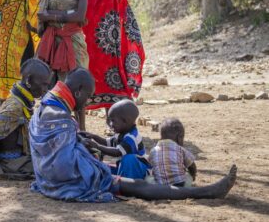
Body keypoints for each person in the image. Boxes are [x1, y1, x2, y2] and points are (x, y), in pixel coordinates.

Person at [29, 68, 237, 202]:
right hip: (66, 180)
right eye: (89, 97)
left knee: (112, 168)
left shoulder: (46, 105)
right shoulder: (61, 119)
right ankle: (201, 192)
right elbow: (66, 166)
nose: (87, 103)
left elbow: (62, 153)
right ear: (79, 91)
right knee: (135, 186)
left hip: (47, 175)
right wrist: (94, 164)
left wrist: (88, 148)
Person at [79, 0, 145, 112]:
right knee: (86, 70)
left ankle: (113, 117)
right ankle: (81, 123)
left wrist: (126, 26)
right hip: (87, 31)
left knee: (113, 72)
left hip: (111, 33)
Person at [36, 0, 89, 130]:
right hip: (51, 42)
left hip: (73, 43)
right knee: (48, 85)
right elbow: (41, 15)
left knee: (76, 85)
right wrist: (67, 13)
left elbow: (80, 16)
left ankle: (81, 131)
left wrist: (53, 15)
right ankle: (49, 127)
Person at [81, 99, 150, 179]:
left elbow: (117, 152)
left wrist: (97, 147)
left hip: (138, 170)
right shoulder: (121, 133)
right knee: (102, 168)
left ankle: (127, 186)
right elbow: (106, 142)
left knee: (129, 159)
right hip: (126, 168)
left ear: (125, 121)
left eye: (113, 121)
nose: (111, 124)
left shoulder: (131, 137)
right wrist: (93, 136)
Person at [148, 118, 197, 187]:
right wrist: (193, 176)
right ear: (179, 137)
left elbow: (150, 166)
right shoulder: (180, 150)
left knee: (148, 178)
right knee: (188, 176)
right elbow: (192, 165)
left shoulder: (153, 151)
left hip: (160, 187)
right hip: (179, 185)